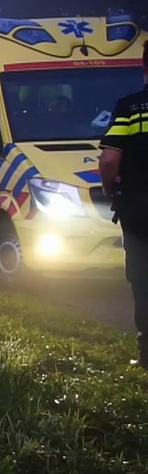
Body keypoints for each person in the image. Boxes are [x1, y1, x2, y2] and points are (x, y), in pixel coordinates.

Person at [98, 42, 148, 366]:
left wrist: (109, 192)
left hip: (139, 211)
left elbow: (109, 160)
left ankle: (147, 354)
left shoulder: (130, 108)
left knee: (143, 280)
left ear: (144, 67)